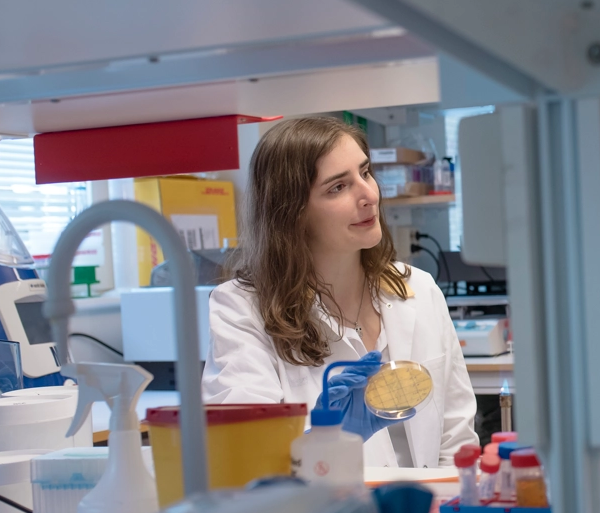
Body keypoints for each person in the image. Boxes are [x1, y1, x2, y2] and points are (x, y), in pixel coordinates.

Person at [203, 117, 477, 468]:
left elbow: (457, 443)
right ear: (292, 213)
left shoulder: (418, 288)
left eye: (365, 173)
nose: (368, 195)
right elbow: (246, 462)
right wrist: (321, 443)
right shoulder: (242, 310)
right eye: (338, 187)